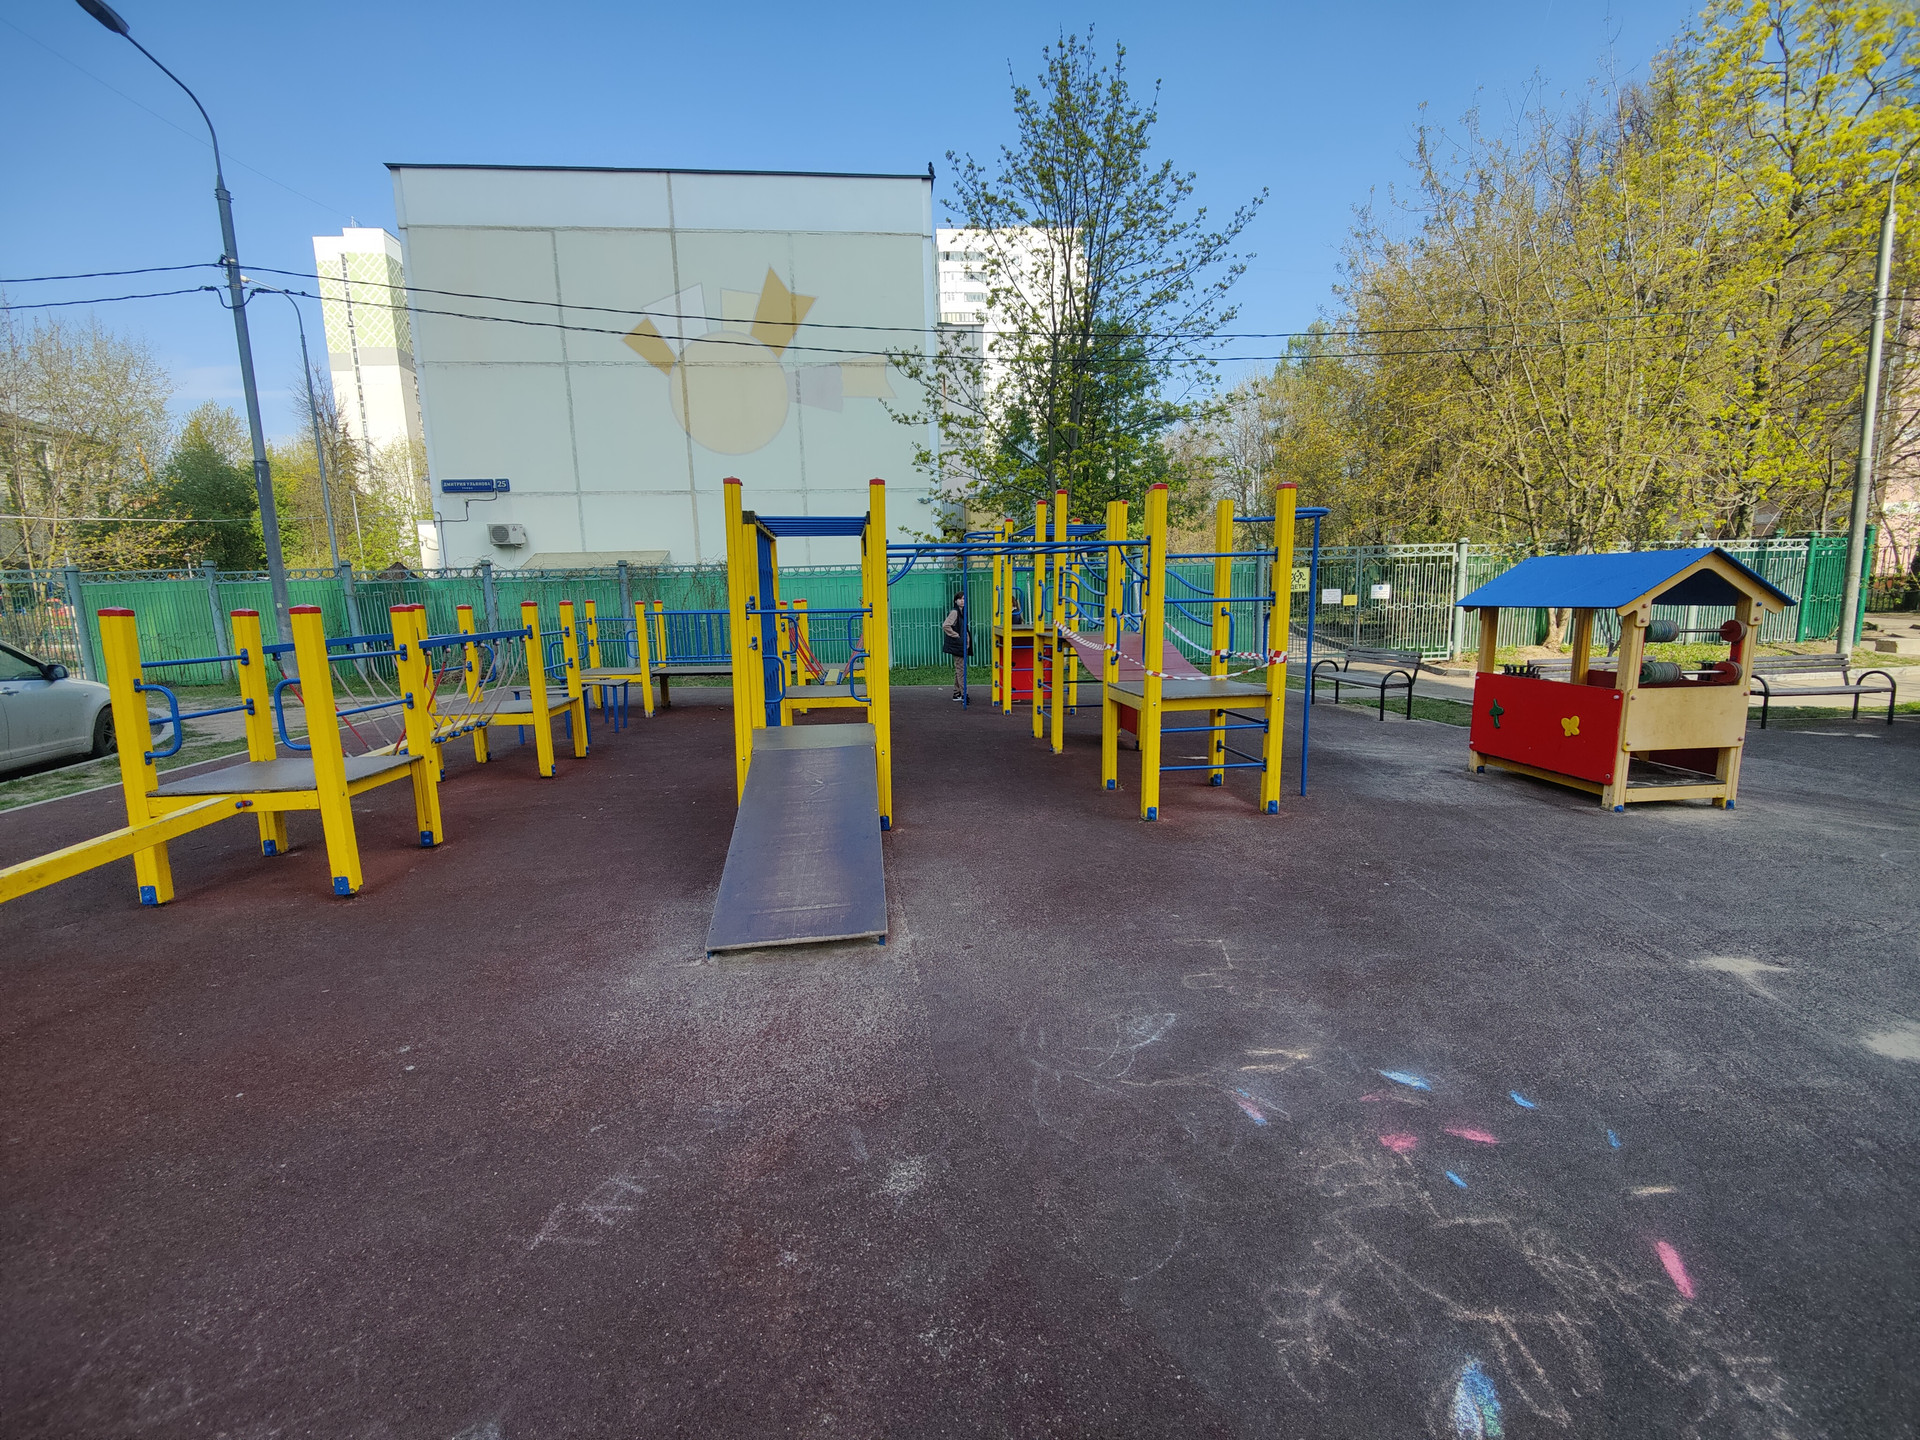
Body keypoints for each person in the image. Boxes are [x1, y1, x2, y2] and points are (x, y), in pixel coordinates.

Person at [941, 590, 971, 701]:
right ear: (955, 601)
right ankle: (964, 694)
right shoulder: (955, 612)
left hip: (961, 644)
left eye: (964, 599)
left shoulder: (962, 612)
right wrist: (956, 635)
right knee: (961, 670)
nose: (962, 601)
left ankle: (957, 692)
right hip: (957, 645)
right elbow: (945, 625)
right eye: (960, 599)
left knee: (959, 669)